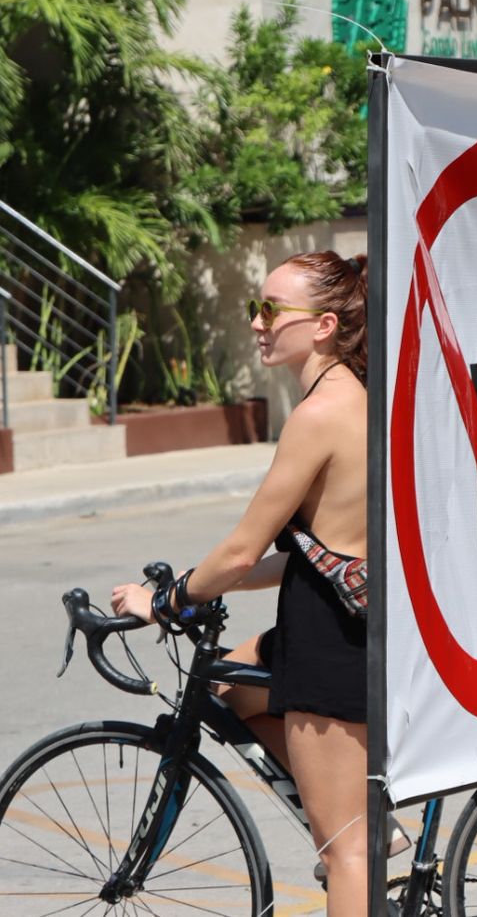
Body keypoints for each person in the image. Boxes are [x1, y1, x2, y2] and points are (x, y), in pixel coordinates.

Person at [112, 249, 370, 917]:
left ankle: (360, 821)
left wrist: (167, 600)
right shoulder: (355, 397)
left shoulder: (319, 415)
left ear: (321, 326)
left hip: (330, 643)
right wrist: (216, 584)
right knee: (230, 682)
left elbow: (238, 549)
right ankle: (360, 810)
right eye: (254, 307)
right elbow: (309, 556)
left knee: (346, 853)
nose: (257, 322)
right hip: (340, 623)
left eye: (270, 309)